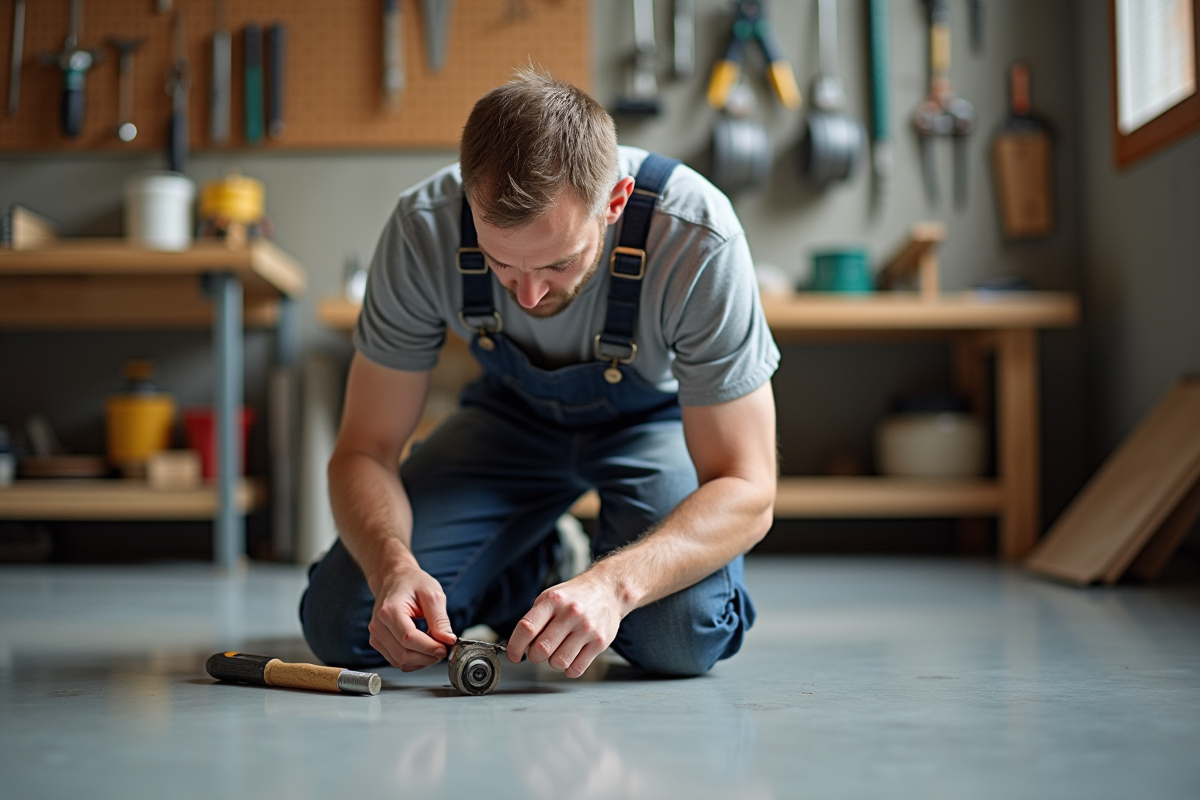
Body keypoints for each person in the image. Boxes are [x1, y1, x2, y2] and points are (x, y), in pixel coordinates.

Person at [300, 69, 779, 680]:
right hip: (507, 421)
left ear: (615, 202)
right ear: (468, 201)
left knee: (679, 637)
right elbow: (364, 450)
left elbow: (748, 487)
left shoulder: (698, 236)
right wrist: (394, 566)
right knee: (347, 620)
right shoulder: (422, 229)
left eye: (558, 262)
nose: (526, 297)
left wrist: (615, 585)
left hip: (653, 427)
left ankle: (591, 568)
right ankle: (536, 567)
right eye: (499, 262)